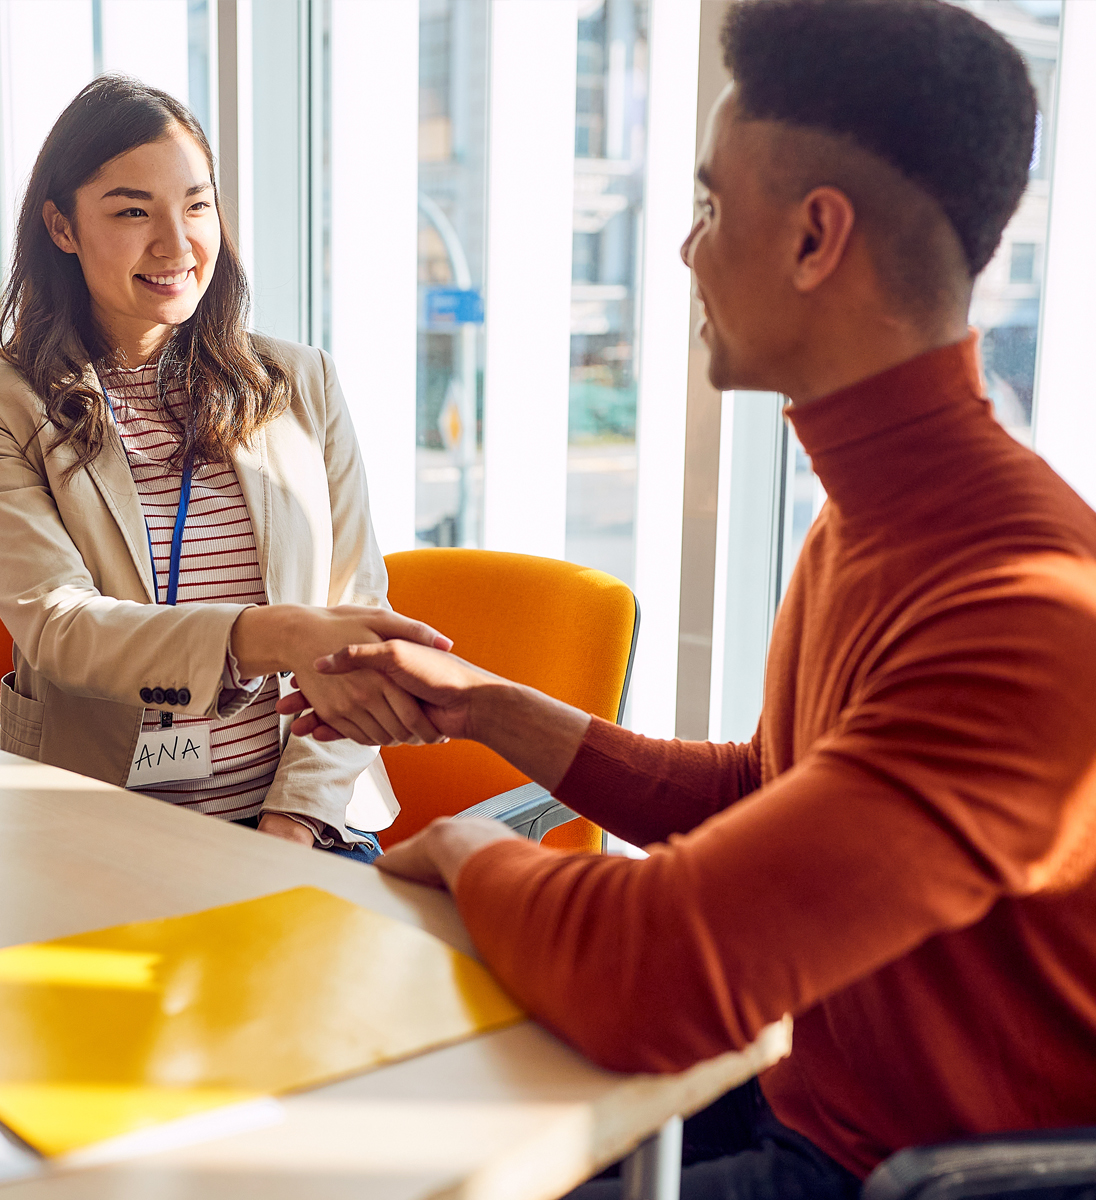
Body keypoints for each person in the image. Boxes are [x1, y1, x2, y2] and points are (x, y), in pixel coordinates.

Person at [279, 0, 1096, 1193]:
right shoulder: (871, 515)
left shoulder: (1016, 605)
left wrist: (457, 845)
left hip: (906, 1173)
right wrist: (487, 706)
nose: (684, 252)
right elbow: (764, 797)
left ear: (815, 237)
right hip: (803, 1104)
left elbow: (648, 976)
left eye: (710, 207)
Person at [0, 78, 445, 859]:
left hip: (303, 824)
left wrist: (292, 821)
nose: (176, 245)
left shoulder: (301, 382)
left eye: (197, 205)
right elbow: (63, 628)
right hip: (104, 828)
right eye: (132, 212)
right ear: (61, 227)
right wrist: (276, 635)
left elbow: (354, 607)